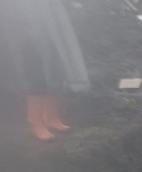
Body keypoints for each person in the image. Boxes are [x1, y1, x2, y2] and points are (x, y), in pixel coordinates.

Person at [16, 0, 91, 141]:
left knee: (56, 70)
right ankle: (36, 123)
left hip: (53, 24)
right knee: (35, 75)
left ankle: (51, 117)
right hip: (28, 30)